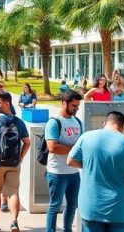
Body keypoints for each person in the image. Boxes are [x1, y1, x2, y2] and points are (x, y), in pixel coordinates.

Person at [67, 111, 124, 232]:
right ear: (123, 127)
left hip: (91, 209)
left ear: (104, 123)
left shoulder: (86, 137)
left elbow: (70, 161)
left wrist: (92, 165)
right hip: (119, 212)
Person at [0, 91, 31, 232]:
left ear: (7, 103)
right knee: (13, 193)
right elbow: (27, 142)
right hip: (14, 163)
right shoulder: (19, 122)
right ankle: (14, 222)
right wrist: (20, 158)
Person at [45, 90, 83, 232]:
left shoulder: (78, 122)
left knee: (73, 205)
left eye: (78, 105)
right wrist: (75, 149)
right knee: (55, 206)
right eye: (74, 105)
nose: (76, 108)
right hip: (57, 172)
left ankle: (68, 229)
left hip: (74, 172)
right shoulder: (54, 122)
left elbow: (82, 144)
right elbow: (52, 147)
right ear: (64, 103)